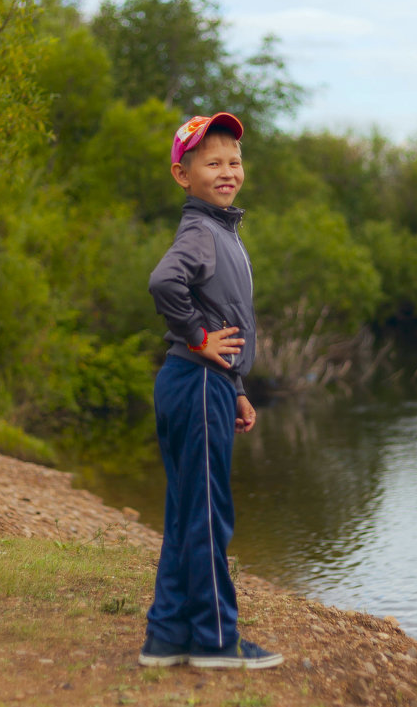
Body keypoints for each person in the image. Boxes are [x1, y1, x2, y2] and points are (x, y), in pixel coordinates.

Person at [139, 112, 283, 670]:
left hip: (208, 383)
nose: (228, 172)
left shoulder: (223, 230)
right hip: (195, 382)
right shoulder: (202, 232)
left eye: (235, 161)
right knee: (206, 514)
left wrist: (238, 386)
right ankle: (216, 641)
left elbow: (226, 313)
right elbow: (162, 282)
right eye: (213, 163)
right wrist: (198, 338)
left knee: (186, 512)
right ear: (184, 174)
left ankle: (169, 636)